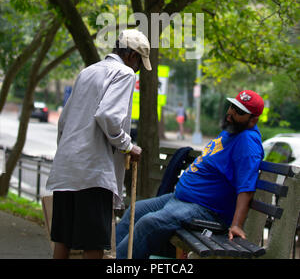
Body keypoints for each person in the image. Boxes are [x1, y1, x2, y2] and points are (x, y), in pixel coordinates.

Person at [116, 90, 265, 259]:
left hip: (206, 211)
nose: (230, 113)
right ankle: (113, 256)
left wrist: (237, 224)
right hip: (181, 200)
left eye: (239, 112)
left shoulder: (247, 142)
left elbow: (246, 188)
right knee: (136, 210)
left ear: (253, 120)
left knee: (148, 223)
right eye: (232, 106)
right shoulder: (232, 131)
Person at [46, 29, 151, 259]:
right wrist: (128, 146)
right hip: (93, 171)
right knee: (93, 243)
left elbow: (63, 121)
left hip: (68, 167)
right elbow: (109, 117)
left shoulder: (88, 71)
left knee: (63, 239)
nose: (138, 70)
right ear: (132, 56)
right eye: (139, 64)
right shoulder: (124, 73)